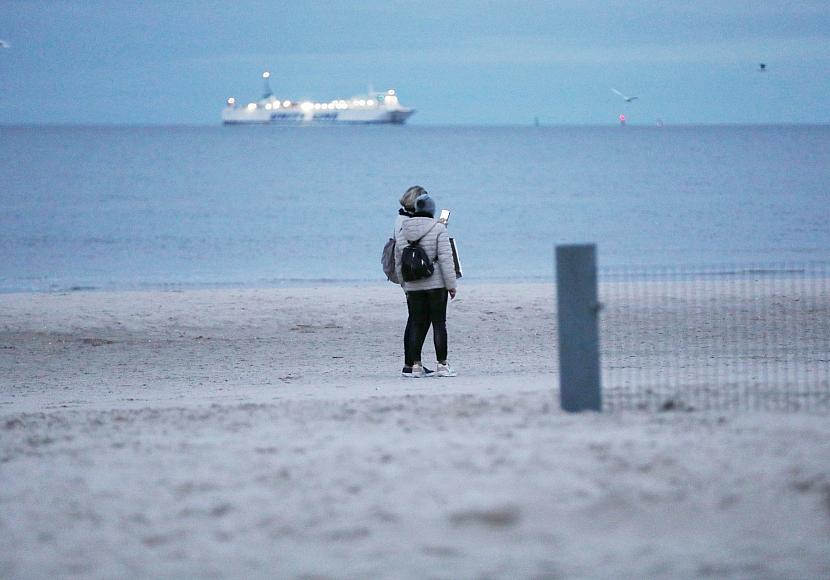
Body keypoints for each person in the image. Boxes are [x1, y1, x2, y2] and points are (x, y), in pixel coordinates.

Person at [395, 191, 458, 378]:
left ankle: (415, 366)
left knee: (415, 323)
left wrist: (403, 284)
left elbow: (399, 261)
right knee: (439, 324)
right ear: (432, 210)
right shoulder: (438, 229)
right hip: (436, 284)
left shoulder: (402, 230)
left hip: (413, 284)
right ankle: (442, 365)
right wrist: (451, 284)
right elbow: (446, 259)